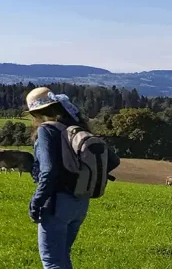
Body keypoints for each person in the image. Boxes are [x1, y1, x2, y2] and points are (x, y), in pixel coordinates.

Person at [25, 87, 116, 269]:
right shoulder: (77, 128)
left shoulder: (47, 130)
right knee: (62, 257)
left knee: (52, 262)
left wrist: (36, 202)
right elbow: (113, 160)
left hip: (56, 203)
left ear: (37, 112)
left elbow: (48, 171)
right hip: (80, 202)